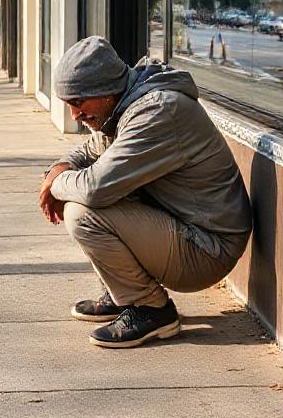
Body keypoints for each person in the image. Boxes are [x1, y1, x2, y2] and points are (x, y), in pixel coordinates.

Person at [40, 37, 252, 348]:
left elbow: (95, 188)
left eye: (79, 102)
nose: (74, 114)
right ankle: (123, 293)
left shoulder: (156, 111)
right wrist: (60, 168)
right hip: (185, 230)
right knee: (89, 190)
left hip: (208, 248)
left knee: (82, 212)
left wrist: (56, 184)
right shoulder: (123, 103)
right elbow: (90, 150)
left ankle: (150, 309)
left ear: (105, 90)